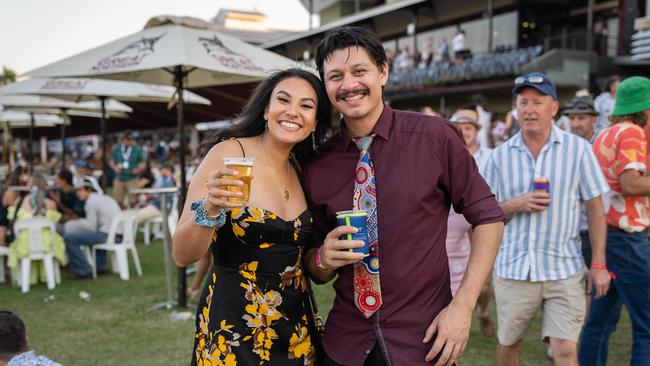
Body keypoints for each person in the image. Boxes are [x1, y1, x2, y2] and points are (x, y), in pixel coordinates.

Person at [303, 26, 505, 366]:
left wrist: (463, 306)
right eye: (335, 76)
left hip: (423, 340)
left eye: (359, 71)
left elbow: (489, 217)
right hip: (345, 345)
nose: (349, 84)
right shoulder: (318, 163)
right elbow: (316, 268)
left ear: (383, 71)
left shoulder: (435, 137)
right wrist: (323, 257)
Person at [172, 68, 333, 366]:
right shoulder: (228, 154)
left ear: (314, 123)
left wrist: (328, 256)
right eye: (283, 100)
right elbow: (182, 255)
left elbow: (311, 266)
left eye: (306, 106)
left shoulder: (302, 169)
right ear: (266, 109)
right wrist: (210, 208)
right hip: (233, 331)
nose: (293, 112)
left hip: (295, 332)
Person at [483, 72, 611, 366]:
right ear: (516, 109)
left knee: (566, 350)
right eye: (523, 102)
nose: (529, 110)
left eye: (537, 102)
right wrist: (515, 204)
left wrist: (599, 263)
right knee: (509, 343)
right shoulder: (499, 156)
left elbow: (595, 207)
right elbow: (484, 213)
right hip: (514, 268)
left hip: (563, 269)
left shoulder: (578, 150)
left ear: (553, 108)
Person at [579, 76, 650, 366]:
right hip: (628, 238)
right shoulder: (633, 133)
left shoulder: (605, 133)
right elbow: (631, 183)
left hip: (603, 238)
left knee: (600, 322)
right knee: (646, 327)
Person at [447, 108, 496, 337]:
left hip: (483, 225)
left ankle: (483, 311)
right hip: (451, 228)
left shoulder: (491, 157)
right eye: (460, 128)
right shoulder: (445, 153)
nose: (464, 132)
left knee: (484, 285)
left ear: (477, 130)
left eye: (468, 128)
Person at [6, 173, 67, 286]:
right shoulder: (51, 204)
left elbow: (11, 222)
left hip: (24, 244)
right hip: (47, 244)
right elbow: (55, 224)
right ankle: (48, 276)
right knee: (56, 238)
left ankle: (27, 278)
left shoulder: (19, 202)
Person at [564, 96, 600, 267]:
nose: (576, 123)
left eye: (581, 118)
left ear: (594, 120)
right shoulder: (564, 148)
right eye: (572, 118)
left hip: (593, 229)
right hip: (568, 231)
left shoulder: (601, 147)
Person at [63, 178, 121, 279]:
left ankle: (83, 270)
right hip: (120, 234)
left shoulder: (91, 202)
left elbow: (91, 226)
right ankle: (100, 267)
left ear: (89, 190)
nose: (77, 194)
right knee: (92, 235)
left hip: (110, 235)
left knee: (69, 238)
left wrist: (73, 224)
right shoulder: (105, 198)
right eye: (77, 191)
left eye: (80, 190)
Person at [109, 131, 146, 208]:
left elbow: (143, 163)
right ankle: (124, 214)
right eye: (128, 140)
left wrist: (138, 170)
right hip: (120, 178)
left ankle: (133, 216)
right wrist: (115, 168)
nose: (130, 142)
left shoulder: (137, 149)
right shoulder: (117, 148)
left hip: (132, 178)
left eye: (131, 140)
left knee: (133, 201)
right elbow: (111, 162)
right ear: (124, 140)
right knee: (118, 201)